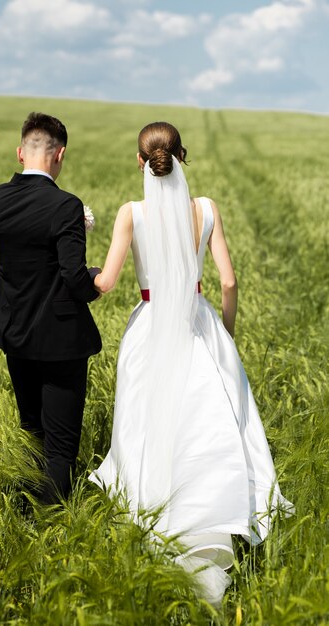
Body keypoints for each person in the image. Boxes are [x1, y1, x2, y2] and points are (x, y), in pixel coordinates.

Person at [89, 121, 293, 606]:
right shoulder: (205, 209)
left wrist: (76, 239)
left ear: (142, 163)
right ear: (184, 156)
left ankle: (154, 513)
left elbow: (106, 283)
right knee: (209, 422)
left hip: (149, 325)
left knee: (150, 420)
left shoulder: (130, 213)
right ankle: (216, 520)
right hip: (199, 324)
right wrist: (224, 332)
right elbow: (228, 282)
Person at [0, 112, 101, 505]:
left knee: (31, 427)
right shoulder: (66, 206)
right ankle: (50, 522)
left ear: (20, 153)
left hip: (13, 331)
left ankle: (23, 510)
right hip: (60, 338)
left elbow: (27, 251)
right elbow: (72, 274)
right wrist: (95, 281)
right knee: (61, 445)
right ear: (59, 155)